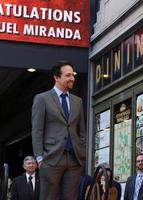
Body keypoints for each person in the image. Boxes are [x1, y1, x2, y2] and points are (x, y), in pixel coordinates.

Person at [31, 61, 86, 200]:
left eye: (72, 75)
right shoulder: (42, 99)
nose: (72, 78)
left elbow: (82, 132)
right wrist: (39, 158)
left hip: (74, 160)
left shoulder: (77, 101)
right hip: (50, 159)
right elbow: (37, 130)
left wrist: (82, 154)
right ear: (57, 78)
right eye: (68, 75)